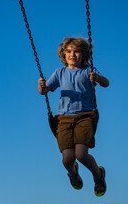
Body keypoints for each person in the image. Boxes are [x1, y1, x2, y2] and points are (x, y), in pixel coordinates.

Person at [38, 37, 109, 196]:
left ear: (84, 54)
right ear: (64, 55)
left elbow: (106, 83)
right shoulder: (60, 72)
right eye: (69, 51)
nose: (72, 54)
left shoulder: (88, 71)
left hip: (85, 116)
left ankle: (98, 175)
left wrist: (97, 78)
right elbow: (44, 91)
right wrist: (41, 86)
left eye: (77, 51)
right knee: (67, 159)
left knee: (81, 154)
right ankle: (73, 173)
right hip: (64, 119)